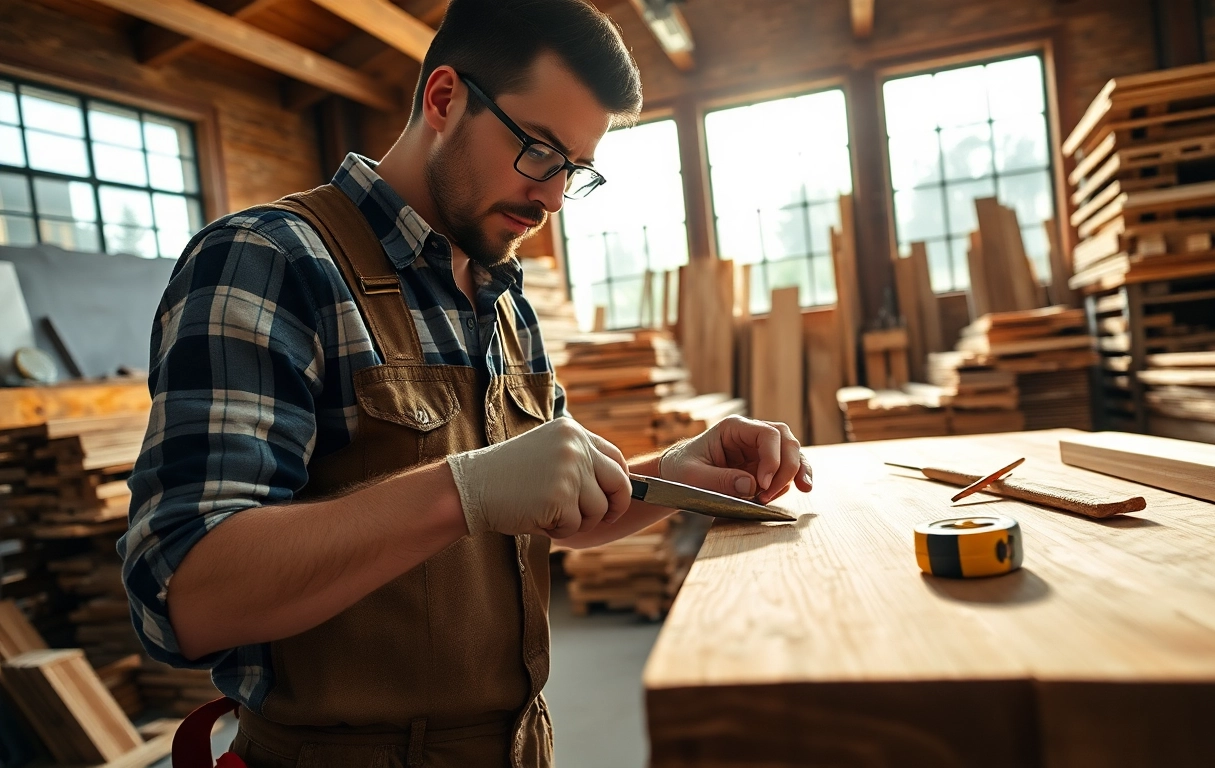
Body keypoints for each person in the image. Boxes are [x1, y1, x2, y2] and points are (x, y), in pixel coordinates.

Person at [117, 1, 813, 765]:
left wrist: (674, 472)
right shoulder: (268, 261)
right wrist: (461, 490)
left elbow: (540, 508)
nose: (552, 198)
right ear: (444, 98)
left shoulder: (499, 292)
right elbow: (184, 593)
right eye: (540, 152)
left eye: (574, 171)